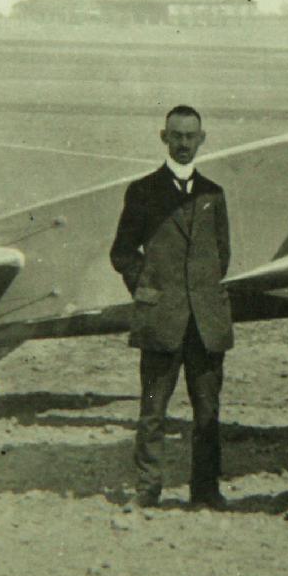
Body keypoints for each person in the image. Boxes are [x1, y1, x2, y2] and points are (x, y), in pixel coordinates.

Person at [109, 105, 234, 509]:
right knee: (152, 411)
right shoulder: (143, 191)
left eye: (190, 136)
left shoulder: (214, 194)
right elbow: (122, 252)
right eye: (176, 136)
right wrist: (146, 289)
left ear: (201, 139)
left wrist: (201, 294)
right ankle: (148, 489)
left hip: (205, 323)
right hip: (161, 319)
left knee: (207, 411)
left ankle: (205, 491)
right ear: (164, 138)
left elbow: (222, 255)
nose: (183, 143)